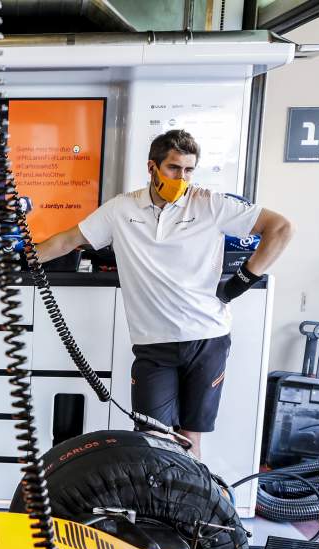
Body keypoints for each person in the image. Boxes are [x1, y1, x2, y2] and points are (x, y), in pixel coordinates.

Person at [35, 129, 294, 459]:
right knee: (153, 440)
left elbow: (281, 228)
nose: (181, 178)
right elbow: (66, 241)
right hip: (153, 345)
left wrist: (241, 281)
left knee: (190, 439)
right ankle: (154, 509)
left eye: (188, 170)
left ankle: (189, 509)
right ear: (152, 167)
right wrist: (13, 258)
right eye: (174, 168)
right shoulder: (121, 209)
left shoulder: (210, 204)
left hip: (207, 339)